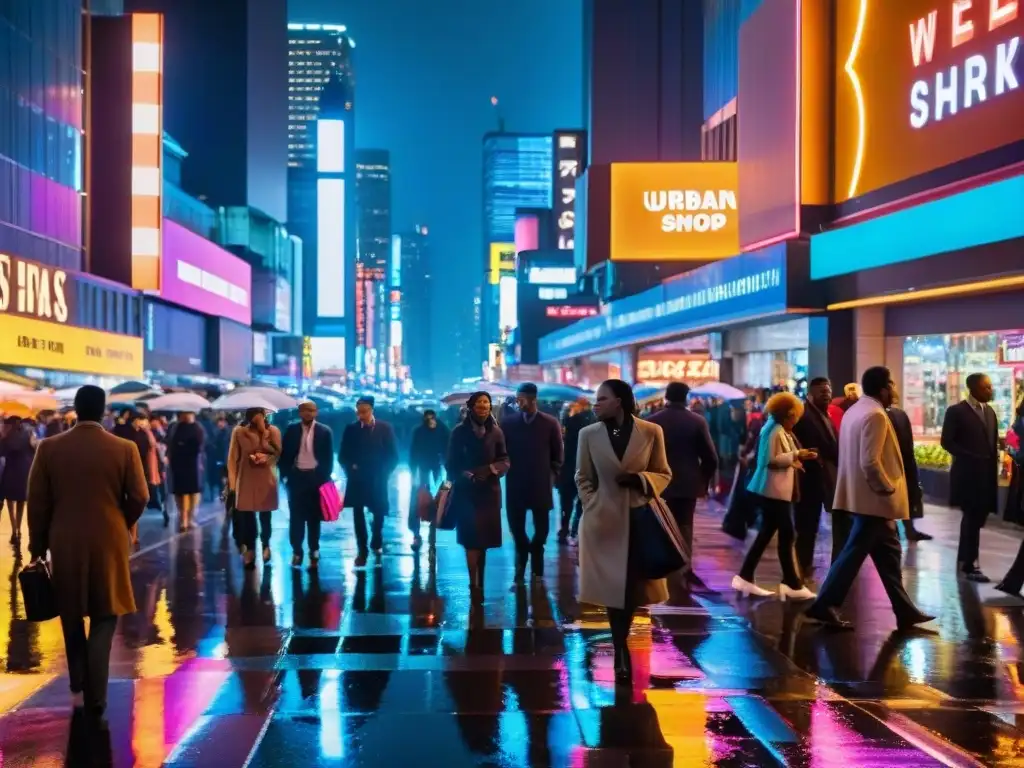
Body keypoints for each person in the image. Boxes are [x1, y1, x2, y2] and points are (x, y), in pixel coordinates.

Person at [27, 385, 149, 720]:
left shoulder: (49, 448)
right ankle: (97, 693)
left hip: (63, 538)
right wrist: (121, 519)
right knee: (105, 612)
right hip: (109, 538)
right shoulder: (124, 448)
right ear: (103, 410)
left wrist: (37, 545)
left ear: (76, 410)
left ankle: (78, 675)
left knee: (70, 608)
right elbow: (140, 495)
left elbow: (37, 503)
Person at [805, 366, 934, 631]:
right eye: (892, 385)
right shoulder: (875, 414)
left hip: (861, 497)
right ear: (884, 388)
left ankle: (904, 610)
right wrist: (886, 487)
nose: (895, 391)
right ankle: (824, 604)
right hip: (873, 500)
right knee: (853, 553)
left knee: (888, 554)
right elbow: (870, 461)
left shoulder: (856, 411)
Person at [575, 379, 672, 683]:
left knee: (630, 589)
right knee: (611, 589)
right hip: (602, 523)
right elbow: (582, 477)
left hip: (638, 520)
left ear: (619, 401)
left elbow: (663, 472)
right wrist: (593, 504)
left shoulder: (651, 431)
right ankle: (619, 647)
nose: (596, 404)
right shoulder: (588, 434)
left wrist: (641, 480)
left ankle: (621, 642)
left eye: (602, 399)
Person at [732, 392, 818, 600]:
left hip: (775, 490)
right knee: (787, 533)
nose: (796, 420)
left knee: (768, 534)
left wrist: (798, 455)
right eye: (794, 416)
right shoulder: (774, 430)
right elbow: (770, 460)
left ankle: (746, 577)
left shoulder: (777, 428)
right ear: (789, 414)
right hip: (773, 490)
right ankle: (791, 583)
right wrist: (797, 455)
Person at [646, 382, 717, 586]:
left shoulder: (652, 422)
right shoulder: (697, 421)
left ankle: (661, 567)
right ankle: (685, 567)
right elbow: (710, 458)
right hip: (687, 484)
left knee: (660, 526)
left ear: (666, 397)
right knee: (685, 526)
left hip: (658, 484)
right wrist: (702, 481)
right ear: (686, 398)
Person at [446, 392, 510, 603]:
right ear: (471, 406)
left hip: (489, 493)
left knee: (483, 541)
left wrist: (491, 469)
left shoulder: (497, 432)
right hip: (466, 492)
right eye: (480, 402)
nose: (483, 406)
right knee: (471, 540)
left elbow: (505, 459)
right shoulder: (459, 432)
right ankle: (473, 583)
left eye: (486, 402)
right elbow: (451, 463)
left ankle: (480, 579)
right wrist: (465, 475)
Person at [500, 382, 564, 583]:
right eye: (517, 398)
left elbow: (558, 454)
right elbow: (501, 451)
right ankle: (521, 562)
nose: (519, 402)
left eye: (522, 399)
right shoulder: (508, 423)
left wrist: (551, 474)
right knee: (516, 529)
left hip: (540, 483)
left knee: (542, 530)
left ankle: (537, 562)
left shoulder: (549, 423)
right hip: (515, 483)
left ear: (533, 399)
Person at [941, 372, 999, 583]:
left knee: (978, 518)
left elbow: (992, 446)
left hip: (986, 478)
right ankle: (970, 563)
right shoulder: (956, 412)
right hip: (967, 476)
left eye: (990, 387)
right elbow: (947, 441)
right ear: (973, 389)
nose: (990, 390)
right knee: (971, 518)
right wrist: (970, 456)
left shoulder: (990, 412)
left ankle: (965, 557)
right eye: (986, 387)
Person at [792, 377, 842, 580]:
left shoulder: (825, 415)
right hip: (808, 479)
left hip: (823, 478)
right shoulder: (804, 415)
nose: (827, 395)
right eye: (822, 392)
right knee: (806, 527)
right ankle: (801, 567)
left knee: (810, 527)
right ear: (811, 394)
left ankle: (804, 566)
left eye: (828, 391)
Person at [340, 396, 398, 567]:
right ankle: (362, 550)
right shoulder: (351, 429)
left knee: (379, 511)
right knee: (358, 514)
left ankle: (377, 537)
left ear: (372, 410)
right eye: (358, 412)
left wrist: (385, 472)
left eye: (364, 411)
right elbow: (343, 455)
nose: (361, 415)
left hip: (378, 477)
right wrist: (351, 468)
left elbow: (393, 455)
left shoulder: (384, 428)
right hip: (357, 478)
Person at [279, 401, 334, 568]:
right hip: (296, 478)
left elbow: (328, 459)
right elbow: (284, 455)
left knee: (314, 518)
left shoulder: (324, 431)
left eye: (311, 410)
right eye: (305, 411)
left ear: (316, 412)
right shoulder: (292, 430)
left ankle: (314, 550)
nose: (308, 413)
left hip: (315, 478)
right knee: (296, 517)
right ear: (300, 413)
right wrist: (285, 476)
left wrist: (323, 477)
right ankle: (297, 551)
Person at [226, 408, 282, 569]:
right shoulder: (239, 432)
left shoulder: (273, 431)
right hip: (246, 478)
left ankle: (266, 545)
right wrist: (232, 483)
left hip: (266, 478)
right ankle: (250, 549)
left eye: (260, 415)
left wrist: (265, 445)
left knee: (265, 515)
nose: (256, 418)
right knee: (247, 516)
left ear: (265, 416)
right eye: (253, 416)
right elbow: (232, 458)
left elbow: (278, 453)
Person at [887, 389, 931, 542]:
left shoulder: (899, 414)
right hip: (892, 463)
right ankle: (898, 530)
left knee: (908, 496)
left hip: (905, 461)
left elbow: (908, 441)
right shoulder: (882, 415)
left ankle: (909, 529)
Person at [408, 409, 450, 548]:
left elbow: (448, 446)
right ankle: (417, 532)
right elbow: (414, 451)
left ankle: (430, 527)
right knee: (419, 500)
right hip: (425, 468)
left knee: (433, 500)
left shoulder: (441, 429)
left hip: (435, 468)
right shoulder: (421, 431)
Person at [557, 397, 597, 543]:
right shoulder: (594, 422)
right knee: (582, 502)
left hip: (569, 468)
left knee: (565, 503)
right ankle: (575, 529)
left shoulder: (570, 421)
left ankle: (564, 528)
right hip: (586, 469)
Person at [0, 416, 36, 547]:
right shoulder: (29, 432)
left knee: (10, 501)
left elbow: (2, 452)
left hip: (11, 471)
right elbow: (34, 448)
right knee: (21, 502)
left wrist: (3, 437)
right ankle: (19, 529)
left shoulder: (7, 436)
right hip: (24, 471)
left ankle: (14, 529)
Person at [168, 411, 205, 531]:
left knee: (193, 493)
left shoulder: (197, 428)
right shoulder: (176, 427)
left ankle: (190, 518)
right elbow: (172, 443)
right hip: (178, 464)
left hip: (192, 464)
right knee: (181, 493)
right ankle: (183, 520)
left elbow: (200, 444)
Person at [205, 416, 231, 502]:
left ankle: (226, 494)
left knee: (224, 478)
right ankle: (223, 494)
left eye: (222, 422)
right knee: (221, 478)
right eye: (219, 422)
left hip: (226, 459)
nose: (220, 424)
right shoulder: (217, 432)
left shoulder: (228, 433)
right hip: (220, 459)